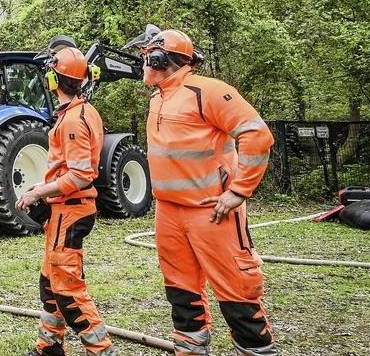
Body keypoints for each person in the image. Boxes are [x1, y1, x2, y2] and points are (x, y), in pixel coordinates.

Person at [139, 28, 277, 356]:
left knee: (238, 295)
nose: (143, 63)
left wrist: (238, 192)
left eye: (147, 56)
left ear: (160, 59)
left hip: (212, 213)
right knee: (183, 298)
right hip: (169, 213)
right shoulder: (159, 96)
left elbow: (258, 136)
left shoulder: (209, 91)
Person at [15, 47, 116, 356]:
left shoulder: (73, 120)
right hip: (63, 209)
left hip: (70, 211)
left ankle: (101, 350)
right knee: (50, 282)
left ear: (52, 78)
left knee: (67, 290)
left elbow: (81, 175)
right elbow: (67, 169)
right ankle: (49, 347)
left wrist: (37, 193)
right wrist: (43, 185)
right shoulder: (79, 113)